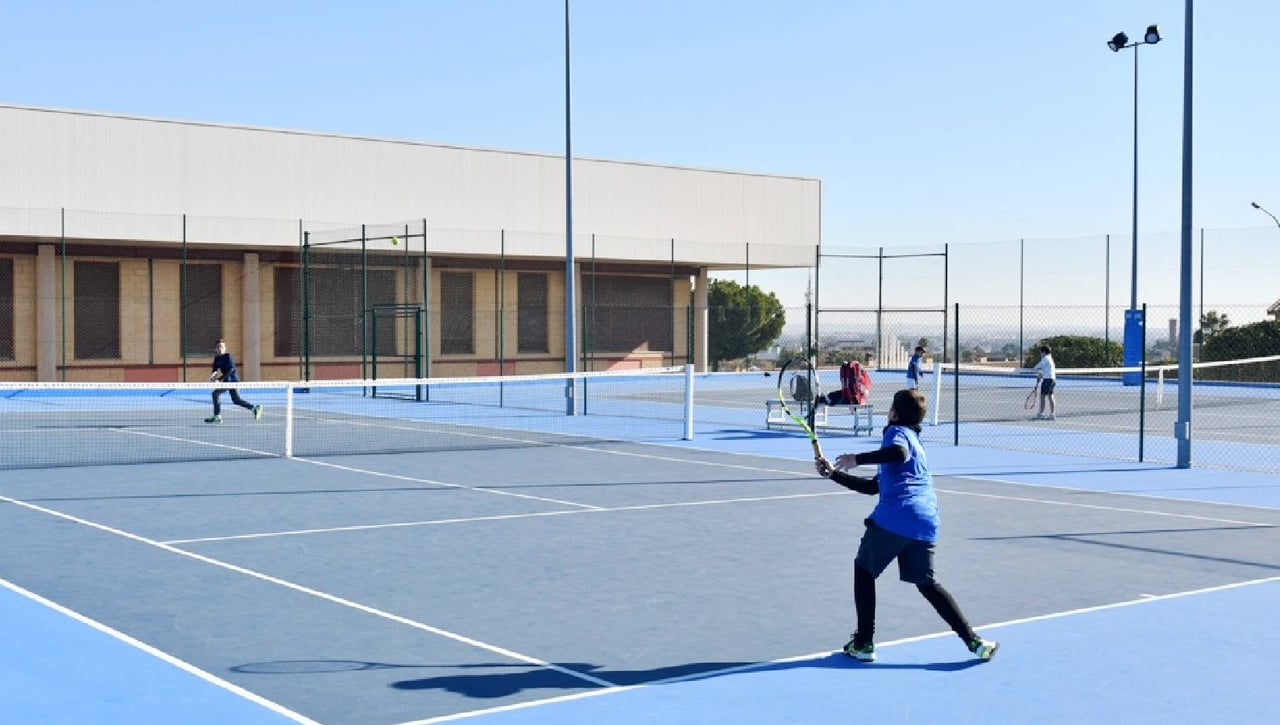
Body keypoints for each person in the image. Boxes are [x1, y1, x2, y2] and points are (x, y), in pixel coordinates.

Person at [814, 388, 998, 663]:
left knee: (864, 571)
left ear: (894, 413)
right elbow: (873, 488)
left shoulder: (895, 434)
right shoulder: (915, 441)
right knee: (928, 585)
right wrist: (834, 475)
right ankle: (973, 641)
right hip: (925, 520)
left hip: (897, 516)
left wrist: (857, 458)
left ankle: (864, 642)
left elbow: (896, 453)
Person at [205, 339, 263, 423]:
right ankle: (254, 408)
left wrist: (220, 379)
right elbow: (214, 370)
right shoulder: (217, 359)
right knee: (236, 400)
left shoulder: (228, 356)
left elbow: (231, 370)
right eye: (218, 347)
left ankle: (217, 416)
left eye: (222, 347)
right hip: (226, 381)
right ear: (216, 349)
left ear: (225, 348)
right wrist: (213, 378)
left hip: (233, 380)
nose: (220, 348)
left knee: (215, 393)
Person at [1032, 345, 1057, 420]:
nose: (1040, 354)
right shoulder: (1050, 359)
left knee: (1042, 396)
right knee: (1050, 396)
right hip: (1052, 380)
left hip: (1047, 380)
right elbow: (1046, 370)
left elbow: (1036, 367)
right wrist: (1041, 374)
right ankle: (1052, 414)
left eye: (1040, 352)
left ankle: (1041, 414)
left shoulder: (1045, 359)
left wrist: (1038, 372)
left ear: (1043, 352)